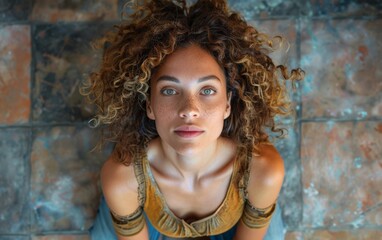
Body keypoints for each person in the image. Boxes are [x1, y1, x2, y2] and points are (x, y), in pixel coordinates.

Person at [82, 0, 304, 239]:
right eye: (169, 90)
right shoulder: (123, 178)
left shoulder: (262, 171)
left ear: (228, 105)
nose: (189, 110)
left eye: (207, 90)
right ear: (150, 105)